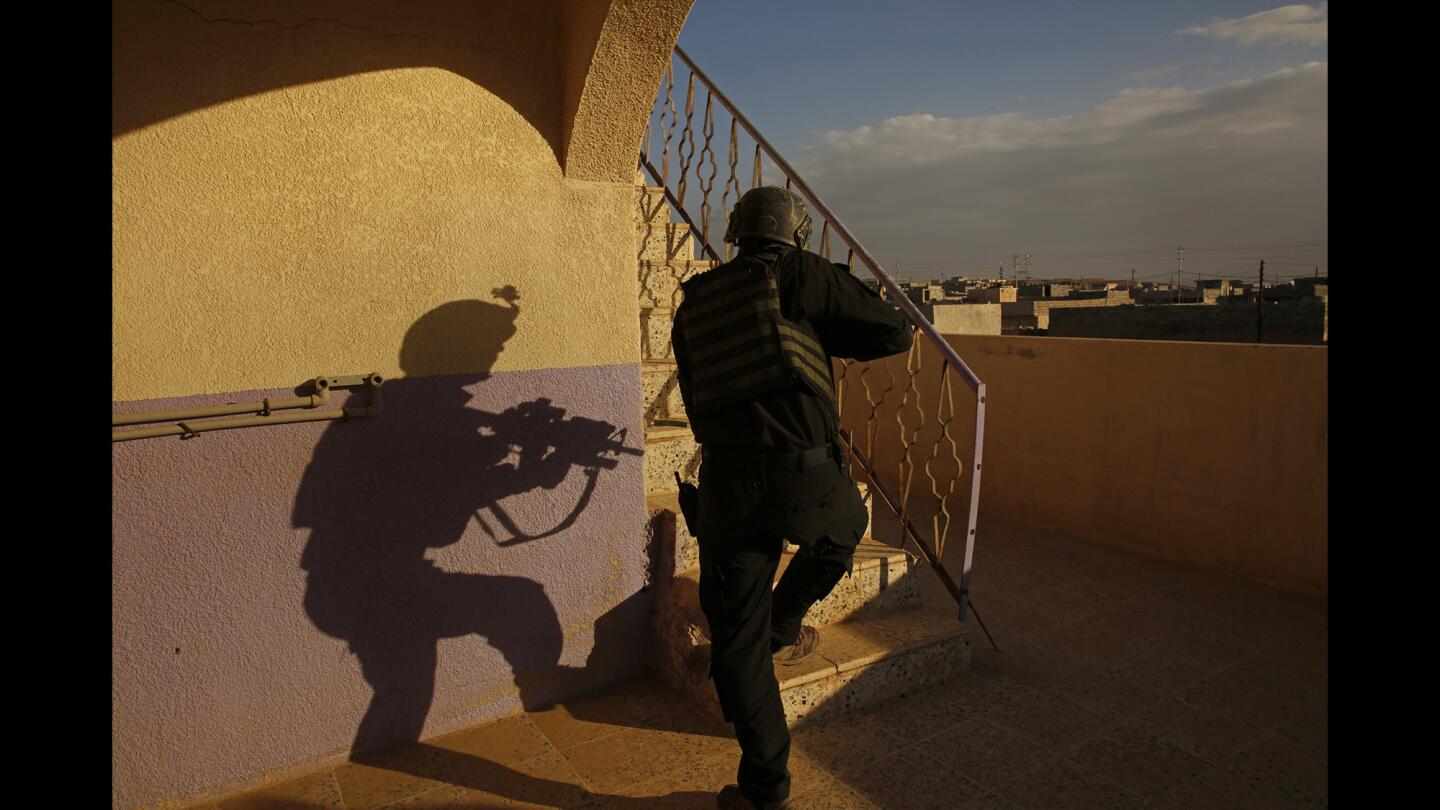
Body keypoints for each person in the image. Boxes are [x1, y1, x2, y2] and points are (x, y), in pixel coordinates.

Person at [670, 186, 914, 809]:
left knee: (739, 641)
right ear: (796, 234)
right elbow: (892, 332)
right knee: (843, 533)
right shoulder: (801, 273)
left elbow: (697, 397)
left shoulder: (697, 302)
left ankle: (765, 789)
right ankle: (786, 619)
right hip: (804, 478)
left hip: (728, 484)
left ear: (736, 233)